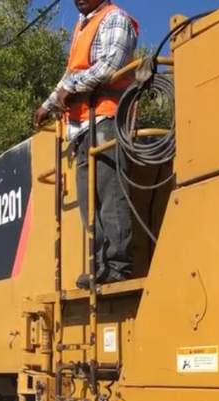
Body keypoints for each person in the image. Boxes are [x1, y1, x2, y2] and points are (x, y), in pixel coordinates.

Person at [34, 0, 139, 290]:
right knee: (88, 202)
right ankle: (98, 264)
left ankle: (118, 265)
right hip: (81, 127)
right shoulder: (82, 26)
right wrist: (49, 103)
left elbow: (111, 65)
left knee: (110, 193)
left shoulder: (114, 18)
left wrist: (73, 87)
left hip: (107, 117)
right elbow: (71, 73)